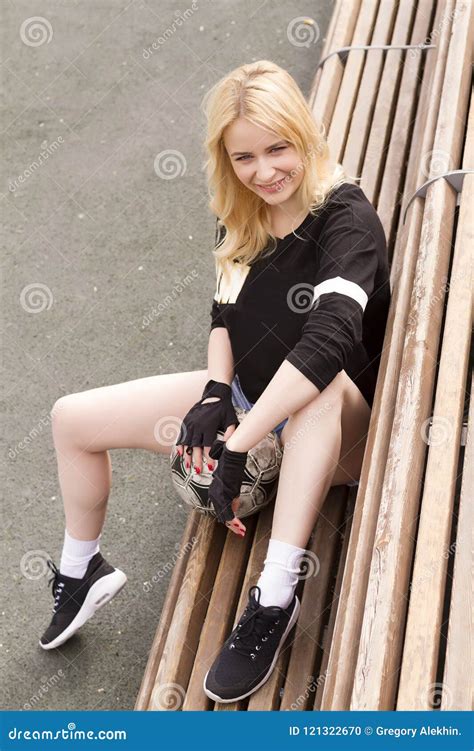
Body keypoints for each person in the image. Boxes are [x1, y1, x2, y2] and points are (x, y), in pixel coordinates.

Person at [39, 60, 391, 707]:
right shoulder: (245, 215)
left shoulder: (346, 216)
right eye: (245, 157)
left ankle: (275, 595)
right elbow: (224, 317)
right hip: (254, 404)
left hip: (341, 431)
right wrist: (212, 394)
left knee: (317, 389)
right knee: (72, 417)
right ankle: (80, 569)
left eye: (278, 148)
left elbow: (331, 337)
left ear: (304, 135)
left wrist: (237, 441)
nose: (264, 171)